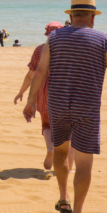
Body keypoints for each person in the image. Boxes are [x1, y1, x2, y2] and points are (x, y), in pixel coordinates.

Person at [24, 0, 107, 213]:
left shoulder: (54, 38)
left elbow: (41, 71)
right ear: (93, 18)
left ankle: (63, 198)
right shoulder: (102, 39)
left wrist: (31, 100)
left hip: (57, 104)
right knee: (83, 161)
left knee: (61, 152)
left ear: (72, 17)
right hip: (87, 106)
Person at [14, 22, 74, 173]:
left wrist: (21, 92)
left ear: (47, 34)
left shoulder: (40, 49)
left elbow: (31, 75)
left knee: (47, 124)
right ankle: (69, 167)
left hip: (43, 91)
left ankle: (50, 148)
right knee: (69, 130)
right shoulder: (69, 50)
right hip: (64, 91)